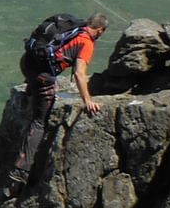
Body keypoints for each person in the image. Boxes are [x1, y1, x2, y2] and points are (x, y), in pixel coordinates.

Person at [7, 13, 108, 195]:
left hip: (27, 62)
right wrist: (87, 100)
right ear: (100, 30)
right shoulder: (86, 42)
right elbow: (79, 73)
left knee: (36, 82)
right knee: (39, 122)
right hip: (42, 77)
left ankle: (31, 87)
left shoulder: (71, 28)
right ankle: (20, 171)